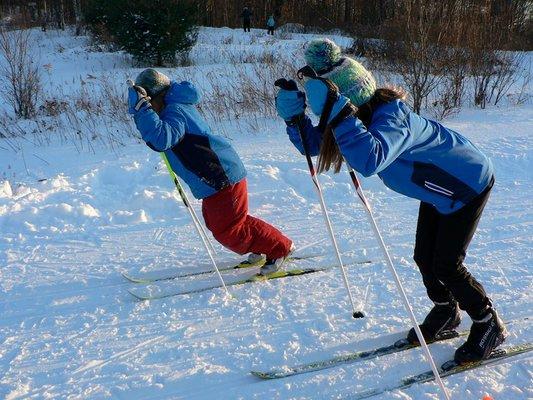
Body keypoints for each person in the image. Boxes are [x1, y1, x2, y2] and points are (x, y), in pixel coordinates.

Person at [275, 38, 507, 364]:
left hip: (466, 184)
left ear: (350, 101)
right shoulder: (360, 119)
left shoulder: (392, 120)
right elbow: (315, 144)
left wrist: (338, 114)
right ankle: (447, 311)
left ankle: (488, 322)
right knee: (424, 257)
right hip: (437, 189)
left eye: (337, 110)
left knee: (447, 265)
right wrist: (294, 117)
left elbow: (370, 160)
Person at [128, 68, 293, 274]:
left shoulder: (174, 111)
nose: (150, 108)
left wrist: (142, 111)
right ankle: (261, 244)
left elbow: (161, 139)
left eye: (149, 103)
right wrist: (144, 111)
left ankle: (279, 248)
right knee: (222, 223)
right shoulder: (174, 106)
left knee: (227, 228)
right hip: (214, 177)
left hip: (220, 174)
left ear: (156, 97)